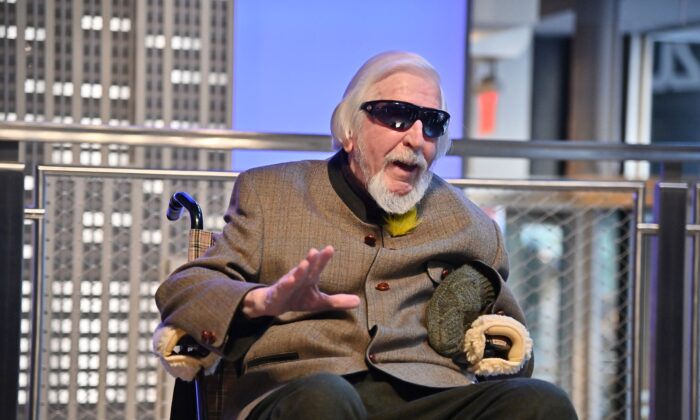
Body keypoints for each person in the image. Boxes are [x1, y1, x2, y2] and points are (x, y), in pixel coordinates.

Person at [154, 51, 578, 419]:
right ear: (349, 130)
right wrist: (260, 301)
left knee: (541, 403)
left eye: (432, 124)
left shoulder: (470, 224)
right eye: (396, 116)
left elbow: (514, 351)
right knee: (326, 399)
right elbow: (186, 288)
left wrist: (487, 336)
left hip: (426, 398)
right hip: (303, 391)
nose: (416, 138)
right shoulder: (271, 194)